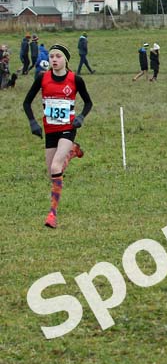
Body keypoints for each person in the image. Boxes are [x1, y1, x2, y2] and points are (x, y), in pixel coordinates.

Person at [22, 44, 92, 228]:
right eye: (52, 56)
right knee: (52, 173)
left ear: (65, 60)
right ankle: (72, 152)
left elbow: (88, 103)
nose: (54, 59)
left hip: (68, 128)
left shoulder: (75, 79)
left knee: (55, 167)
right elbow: (27, 102)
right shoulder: (42, 78)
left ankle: (52, 215)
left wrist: (81, 117)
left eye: (58, 56)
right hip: (49, 130)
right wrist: (33, 122)